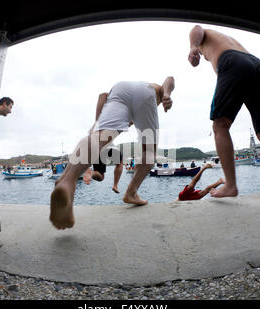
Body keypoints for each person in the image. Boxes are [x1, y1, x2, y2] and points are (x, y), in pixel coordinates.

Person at [50, 77, 175, 230]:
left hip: (119, 89)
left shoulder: (124, 109)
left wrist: (98, 124)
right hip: (146, 93)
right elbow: (170, 79)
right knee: (149, 151)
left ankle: (66, 181)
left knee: (98, 137)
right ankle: (131, 193)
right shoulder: (152, 94)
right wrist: (167, 94)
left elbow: (103, 95)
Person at [188, 25, 260, 206]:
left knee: (220, 125)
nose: (203, 57)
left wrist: (194, 47)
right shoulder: (227, 39)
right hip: (257, 66)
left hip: (233, 62)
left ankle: (230, 185)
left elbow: (197, 28)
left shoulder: (204, 37)